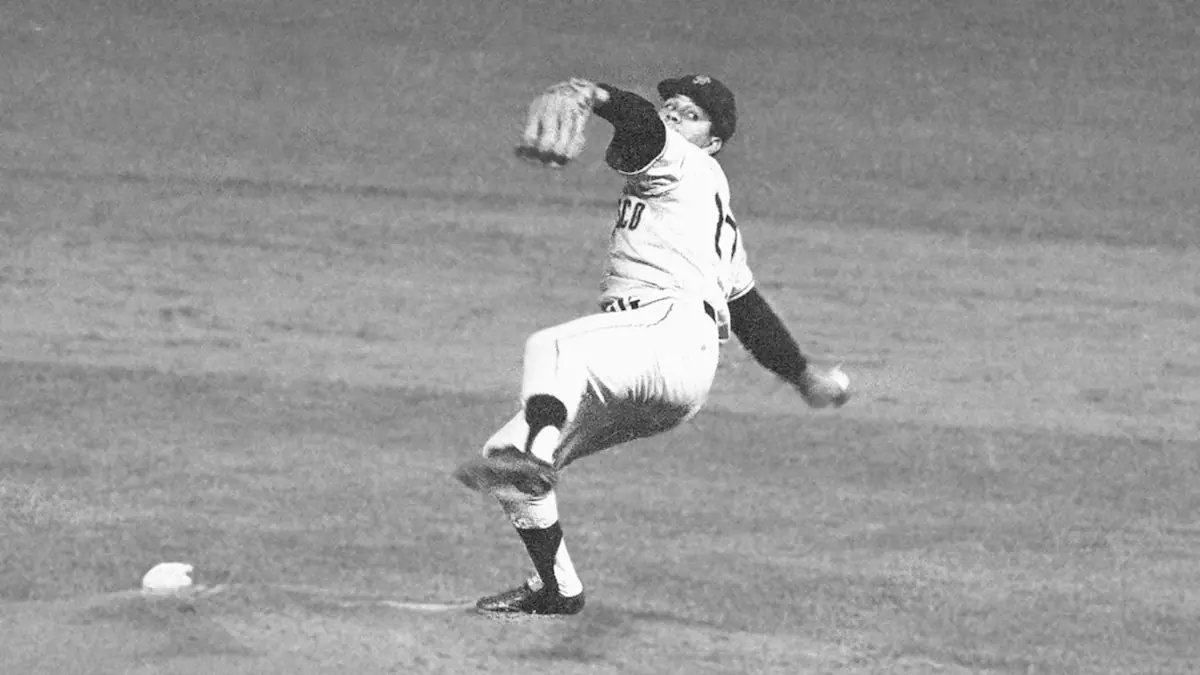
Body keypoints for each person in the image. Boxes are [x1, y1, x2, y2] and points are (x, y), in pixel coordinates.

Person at [453, 74, 850, 616]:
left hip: (665, 333)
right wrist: (805, 379)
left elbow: (637, 121)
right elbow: (749, 311)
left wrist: (594, 95)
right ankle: (557, 588)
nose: (670, 117)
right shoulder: (708, 211)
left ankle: (536, 453)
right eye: (670, 107)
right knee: (502, 457)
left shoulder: (689, 165)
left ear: (712, 143)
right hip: (672, 379)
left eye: (688, 114)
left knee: (554, 350)